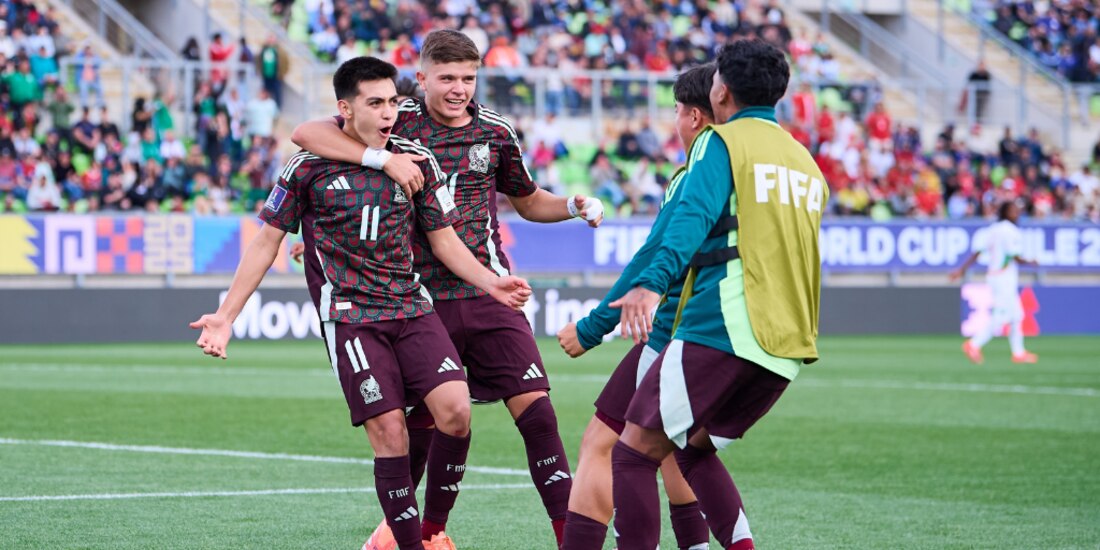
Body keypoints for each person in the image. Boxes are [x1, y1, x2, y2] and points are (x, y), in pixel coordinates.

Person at [190, 57, 532, 550]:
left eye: (393, 101)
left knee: (456, 410)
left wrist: (491, 282)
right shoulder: (308, 167)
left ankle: (432, 529)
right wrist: (226, 316)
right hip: (352, 317)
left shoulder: (415, 159)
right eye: (376, 103)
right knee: (391, 432)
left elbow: (444, 240)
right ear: (345, 110)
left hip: (413, 307)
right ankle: (409, 543)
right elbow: (266, 242)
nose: (389, 112)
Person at [291, 32, 604, 549]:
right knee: (426, 425)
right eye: (448, 78)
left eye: (468, 78)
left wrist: (570, 205)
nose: (459, 89)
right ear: (423, 77)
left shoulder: (496, 131)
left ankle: (564, 538)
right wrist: (375, 171)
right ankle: (406, 531)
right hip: (417, 298)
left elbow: (527, 201)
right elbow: (309, 134)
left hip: (486, 288)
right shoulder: (396, 117)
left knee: (538, 411)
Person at [607, 39, 828, 549]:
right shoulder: (805, 163)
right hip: (788, 342)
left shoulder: (720, 141)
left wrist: (649, 283)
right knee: (693, 448)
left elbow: (691, 219)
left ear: (721, 91)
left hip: (726, 322)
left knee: (633, 452)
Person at [555, 63, 717, 550]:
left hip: (673, 335)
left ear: (691, 117)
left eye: (674, 111)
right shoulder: (746, 170)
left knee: (605, 449)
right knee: (673, 453)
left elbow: (654, 256)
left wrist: (592, 326)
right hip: (717, 335)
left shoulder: (694, 175)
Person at [950, 201, 1039, 364]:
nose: (1016, 213)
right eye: (1013, 210)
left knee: (1017, 315)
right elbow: (1015, 257)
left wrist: (961, 270)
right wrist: (1031, 261)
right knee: (1002, 316)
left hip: (995, 275)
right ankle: (974, 343)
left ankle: (1018, 353)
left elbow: (977, 252)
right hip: (1004, 277)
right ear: (1005, 212)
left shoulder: (992, 230)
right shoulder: (1011, 231)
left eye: (1017, 210)